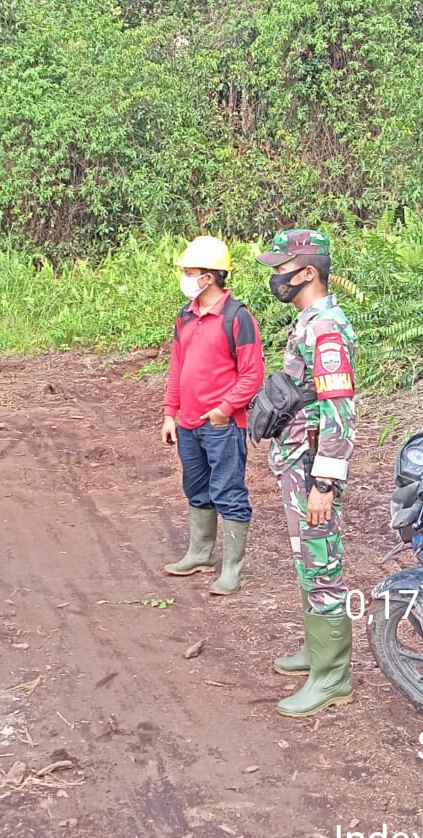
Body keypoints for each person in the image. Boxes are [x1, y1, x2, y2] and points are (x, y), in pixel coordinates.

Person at [256, 229, 357, 718]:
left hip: (313, 467)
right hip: (297, 460)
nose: (276, 277)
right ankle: (316, 651)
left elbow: (340, 412)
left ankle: (332, 676)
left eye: (281, 269)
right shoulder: (308, 322)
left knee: (322, 561)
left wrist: (324, 483)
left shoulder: (327, 330)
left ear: (308, 272)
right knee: (306, 555)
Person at [161, 235, 265, 595]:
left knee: (228, 491)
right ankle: (200, 554)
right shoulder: (185, 316)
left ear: (209, 277)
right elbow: (177, 367)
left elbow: (252, 374)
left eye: (190, 272)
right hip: (188, 424)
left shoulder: (237, 317)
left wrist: (224, 409)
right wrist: (170, 413)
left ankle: (233, 569)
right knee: (196, 488)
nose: (186, 278)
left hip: (222, 425)